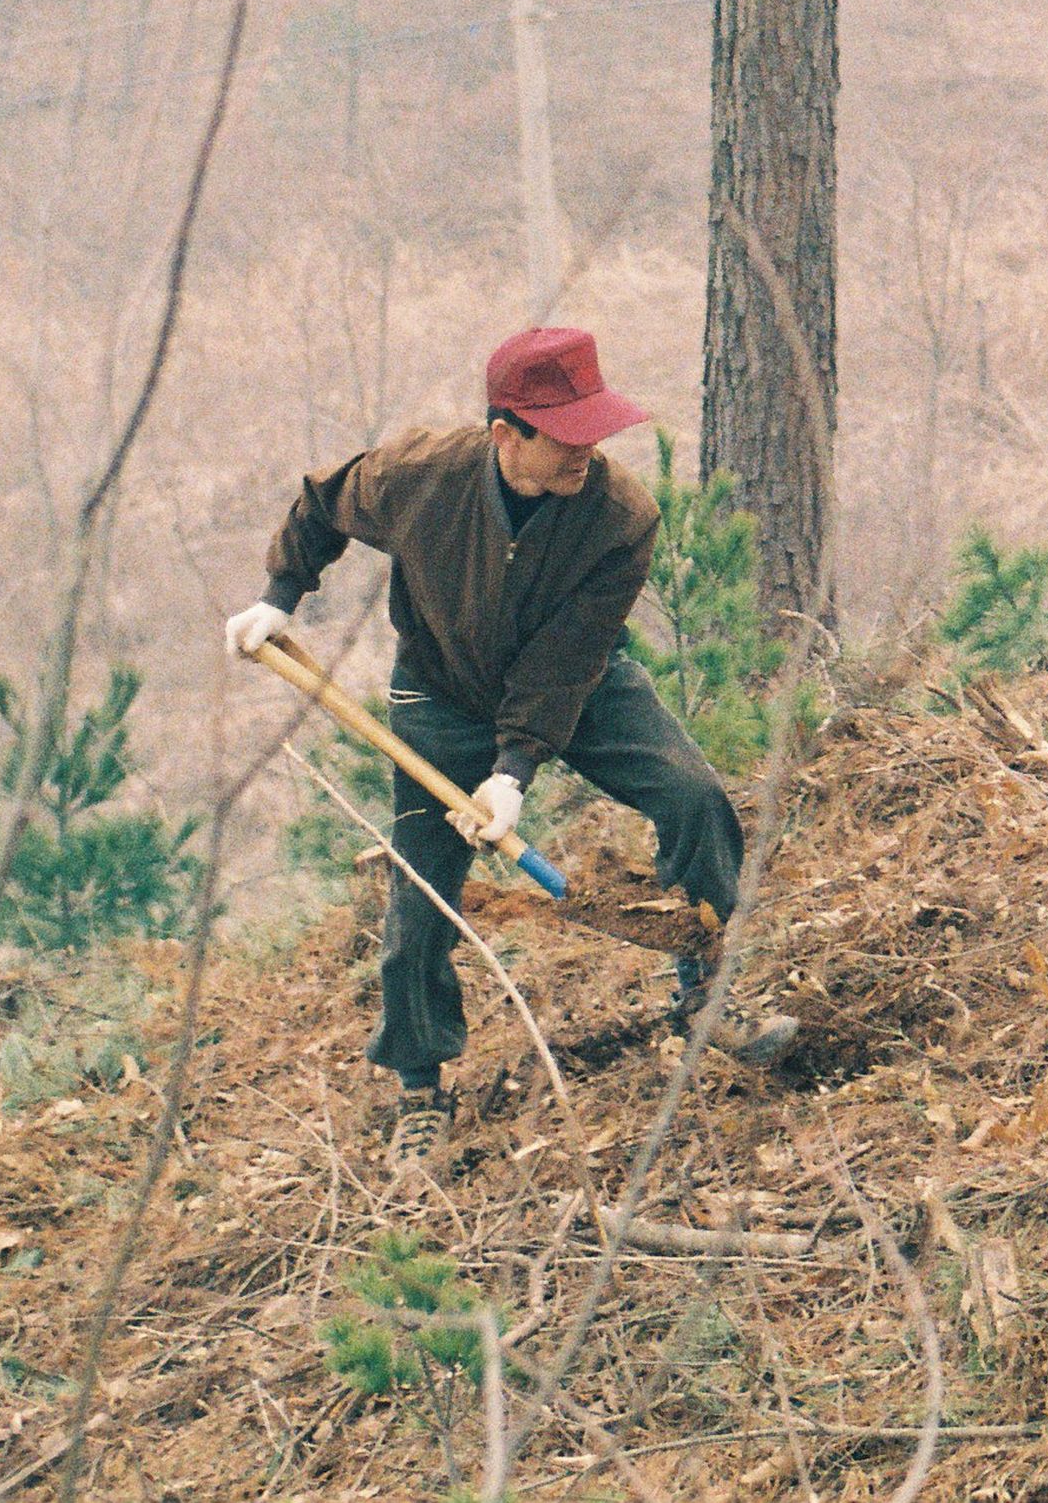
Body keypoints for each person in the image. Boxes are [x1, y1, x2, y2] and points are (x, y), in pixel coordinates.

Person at [225, 326, 779, 1135]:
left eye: (597, 428)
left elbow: (566, 662)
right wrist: (280, 596)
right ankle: (420, 1087)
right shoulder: (422, 476)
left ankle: (705, 987)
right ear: (505, 434)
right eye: (567, 435)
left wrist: (512, 773)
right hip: (441, 691)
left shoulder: (621, 517)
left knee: (695, 798)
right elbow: (321, 501)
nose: (587, 451)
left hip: (581, 686)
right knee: (423, 897)